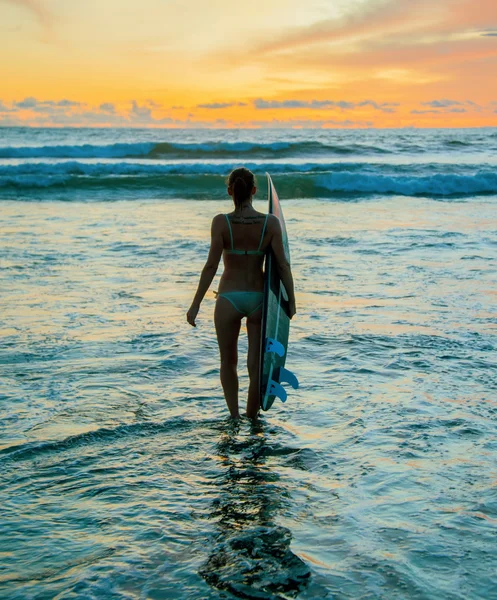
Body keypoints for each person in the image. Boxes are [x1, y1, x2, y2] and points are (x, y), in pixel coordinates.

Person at [186, 167, 296, 419]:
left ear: (229, 191)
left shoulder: (220, 222)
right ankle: (252, 418)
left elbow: (211, 266)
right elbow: (282, 265)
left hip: (228, 298)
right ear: (254, 191)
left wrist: (195, 305)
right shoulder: (270, 223)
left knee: (228, 362)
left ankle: (234, 418)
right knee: (256, 364)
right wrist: (290, 301)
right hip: (259, 299)